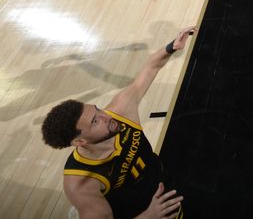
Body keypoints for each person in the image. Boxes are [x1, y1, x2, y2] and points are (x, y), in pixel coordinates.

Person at [40, 26, 195, 218]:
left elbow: (150, 68)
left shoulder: (120, 111)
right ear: (79, 142)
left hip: (158, 182)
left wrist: (173, 46)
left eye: (97, 109)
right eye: (96, 122)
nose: (107, 116)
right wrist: (148, 215)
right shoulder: (81, 183)